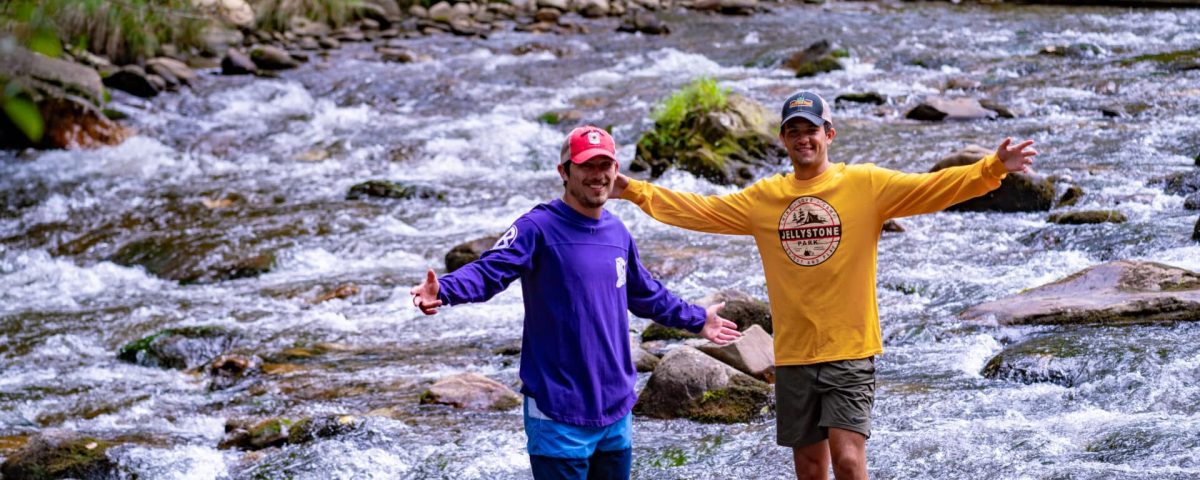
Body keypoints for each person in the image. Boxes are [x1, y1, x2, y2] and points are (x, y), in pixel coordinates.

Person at [610, 91, 1037, 480]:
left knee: (849, 461)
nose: (803, 139)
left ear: (828, 134)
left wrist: (993, 168)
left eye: (811, 130)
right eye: (793, 131)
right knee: (811, 467)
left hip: (849, 348)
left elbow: (932, 188)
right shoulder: (764, 199)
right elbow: (699, 209)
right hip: (794, 352)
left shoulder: (865, 185)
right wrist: (633, 190)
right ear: (783, 140)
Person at [410, 125, 742, 480]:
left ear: (616, 172)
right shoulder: (536, 228)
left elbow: (645, 293)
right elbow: (491, 270)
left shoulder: (617, 233)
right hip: (558, 411)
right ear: (564, 172)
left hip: (615, 410)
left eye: (605, 165)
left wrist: (697, 319)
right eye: (586, 165)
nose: (597, 175)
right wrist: (443, 290)